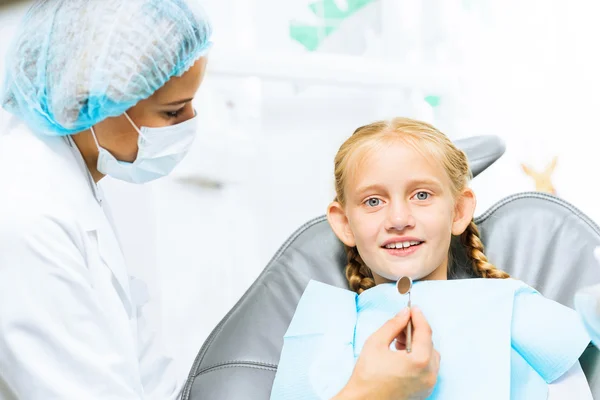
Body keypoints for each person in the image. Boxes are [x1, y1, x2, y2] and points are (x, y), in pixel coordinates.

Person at [0, 1, 439, 399]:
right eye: (172, 112)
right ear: (93, 101)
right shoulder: (29, 217)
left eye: (422, 195)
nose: (190, 123)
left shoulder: (71, 182)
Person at [270, 117, 593, 399]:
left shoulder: (513, 309)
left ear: (458, 210)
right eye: (372, 201)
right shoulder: (323, 323)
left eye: (421, 195)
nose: (398, 218)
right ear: (344, 223)